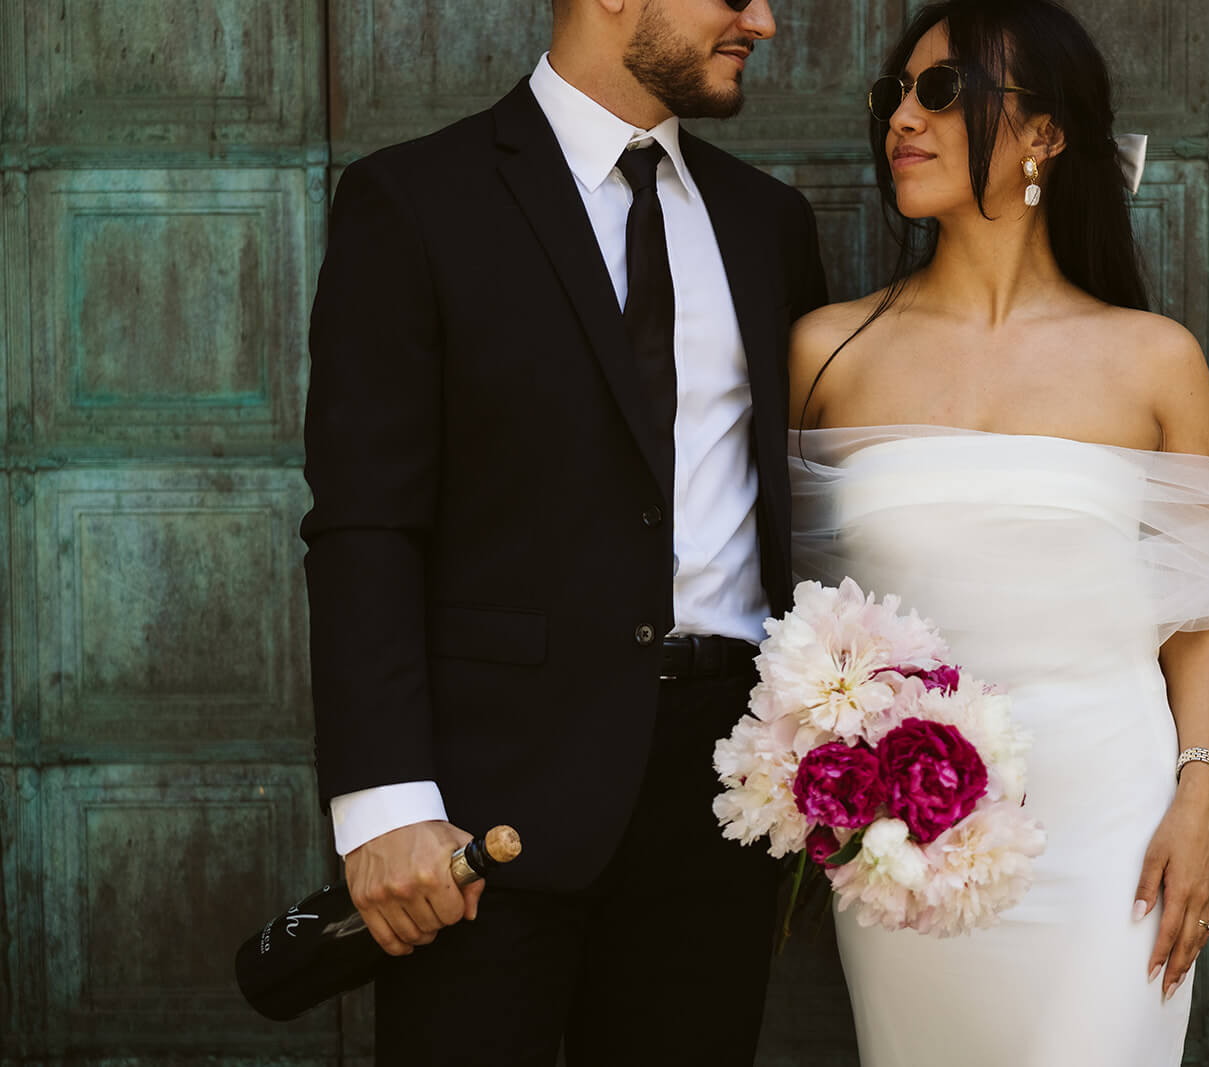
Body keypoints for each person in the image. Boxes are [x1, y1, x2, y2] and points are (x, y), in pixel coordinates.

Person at [299, 0, 827, 1062]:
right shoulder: (413, 199)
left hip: (721, 804)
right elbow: (365, 521)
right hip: (484, 808)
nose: (762, 22)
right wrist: (383, 804)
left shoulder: (769, 222)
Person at [785, 0, 1209, 1062]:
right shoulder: (827, 350)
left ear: (1044, 133)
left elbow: (1199, 618)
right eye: (893, 93)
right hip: (904, 844)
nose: (904, 116)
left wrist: (1197, 804)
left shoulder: (1153, 358)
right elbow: (806, 620)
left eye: (941, 91)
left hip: (1114, 834)